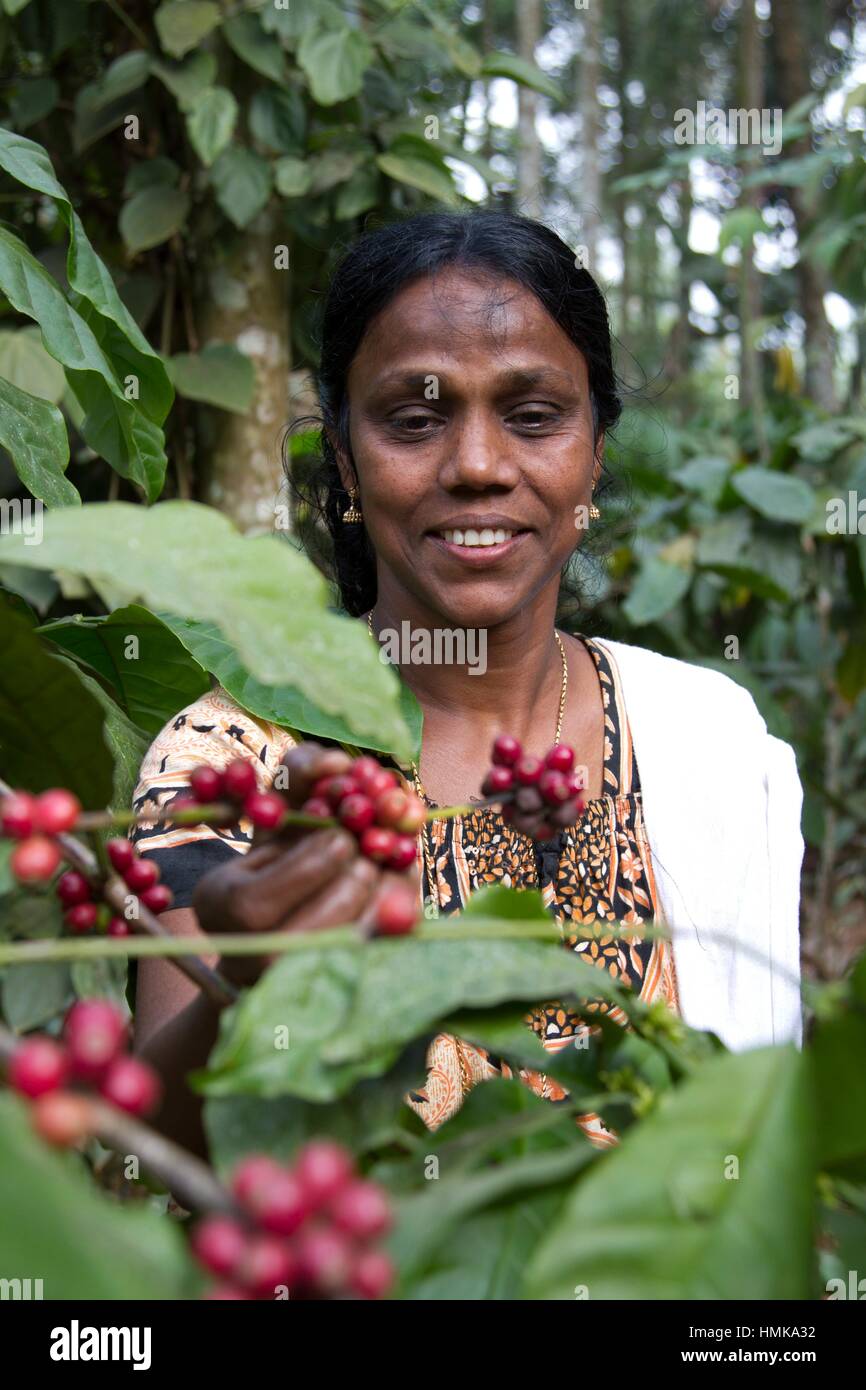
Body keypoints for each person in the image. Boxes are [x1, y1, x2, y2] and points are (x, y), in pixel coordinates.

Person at [131, 210, 804, 1156]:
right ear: (347, 457)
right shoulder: (232, 758)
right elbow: (157, 1132)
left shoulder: (709, 735)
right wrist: (255, 983)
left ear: (595, 453)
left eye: (534, 417)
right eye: (415, 419)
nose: (480, 467)